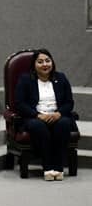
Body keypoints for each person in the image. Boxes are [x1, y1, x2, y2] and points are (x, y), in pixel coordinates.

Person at [14, 48, 75, 181]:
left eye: (47, 61)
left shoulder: (61, 78)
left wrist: (58, 114)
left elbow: (69, 103)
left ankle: (58, 168)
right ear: (34, 65)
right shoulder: (25, 79)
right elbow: (20, 103)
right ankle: (48, 167)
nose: (45, 64)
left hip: (57, 115)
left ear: (52, 62)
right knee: (37, 126)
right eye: (40, 62)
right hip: (35, 117)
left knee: (64, 124)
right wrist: (37, 115)